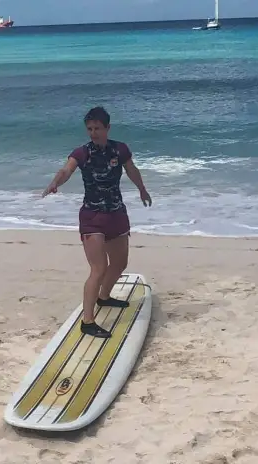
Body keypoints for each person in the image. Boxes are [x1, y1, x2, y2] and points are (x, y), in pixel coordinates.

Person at [42, 106, 152, 339]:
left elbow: (132, 170)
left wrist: (142, 189)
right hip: (92, 216)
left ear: (107, 128)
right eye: (89, 129)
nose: (93, 133)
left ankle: (104, 297)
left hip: (116, 213)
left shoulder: (120, 149)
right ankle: (88, 321)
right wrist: (55, 182)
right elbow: (66, 170)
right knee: (98, 267)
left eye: (97, 128)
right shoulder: (82, 153)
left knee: (120, 263)